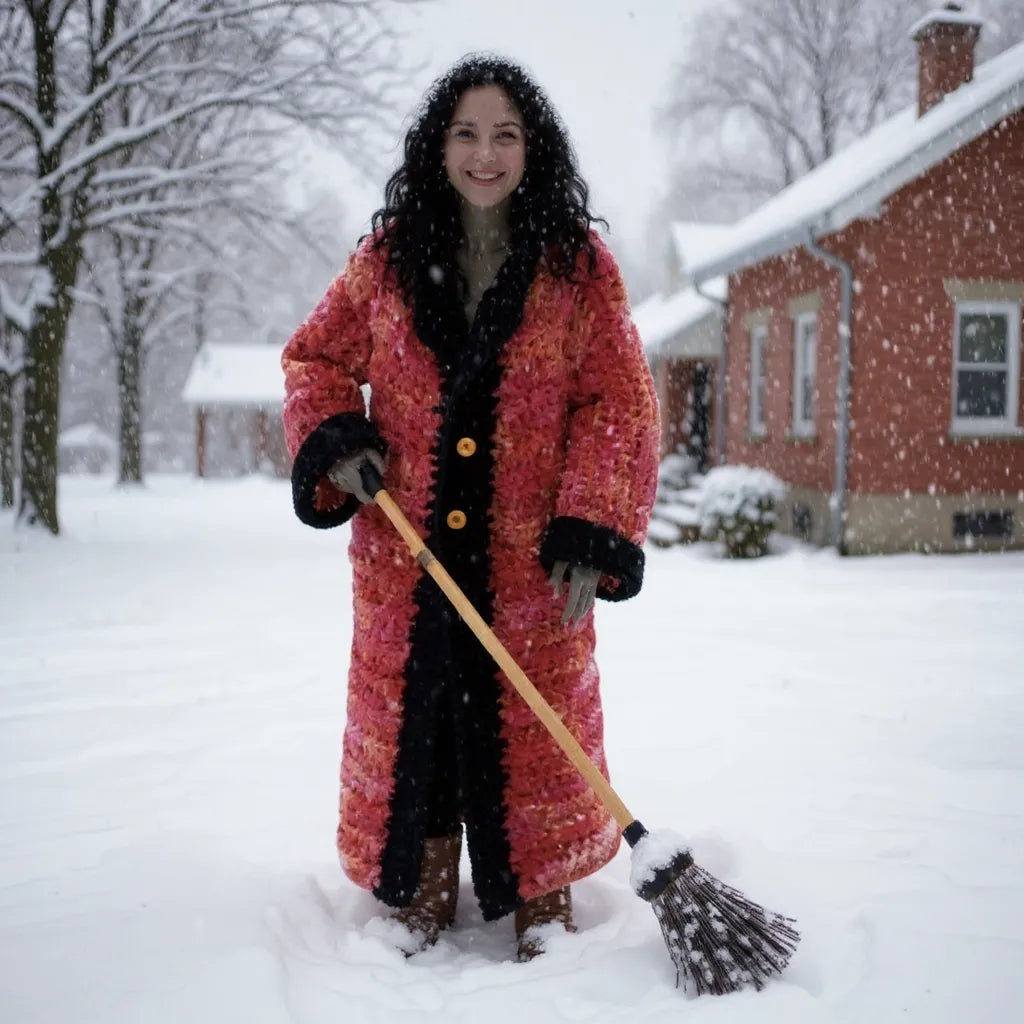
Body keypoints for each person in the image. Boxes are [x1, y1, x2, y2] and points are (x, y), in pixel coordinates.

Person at [281, 54, 659, 961]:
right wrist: (342, 438)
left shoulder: (576, 269)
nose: (485, 153)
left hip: (531, 562)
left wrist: (589, 526)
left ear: (533, 148)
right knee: (424, 716)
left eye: (504, 134)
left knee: (535, 716)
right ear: (437, 145)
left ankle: (542, 888)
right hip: (405, 552)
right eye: (465, 133)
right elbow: (313, 361)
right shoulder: (388, 260)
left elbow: (619, 399)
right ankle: (420, 877)